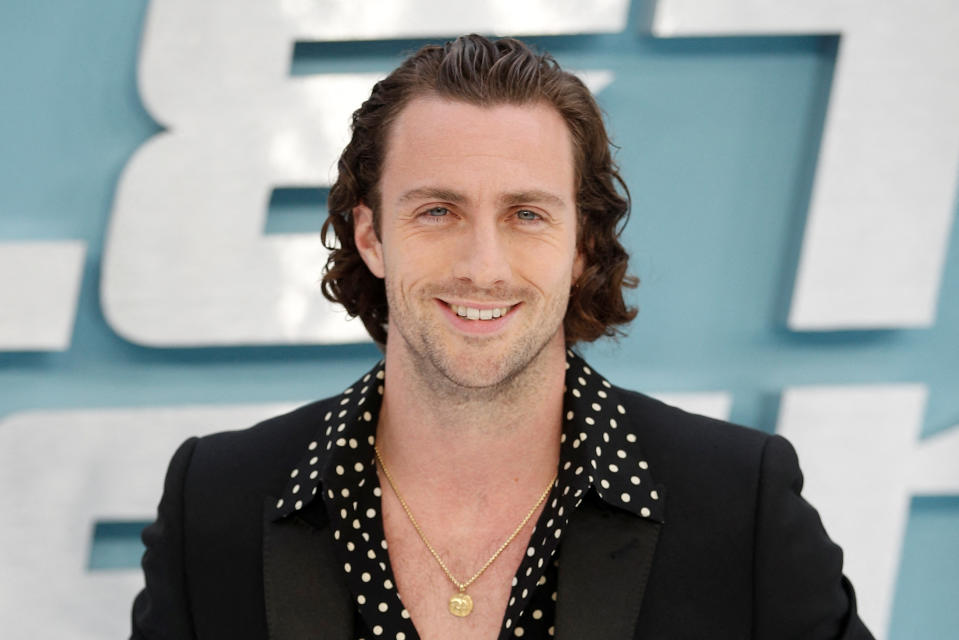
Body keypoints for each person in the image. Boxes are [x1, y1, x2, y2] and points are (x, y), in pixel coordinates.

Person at [131, 35, 874, 640]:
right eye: (437, 212)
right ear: (371, 235)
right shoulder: (216, 502)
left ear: (582, 243)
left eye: (525, 215)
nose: (482, 267)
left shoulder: (736, 503)